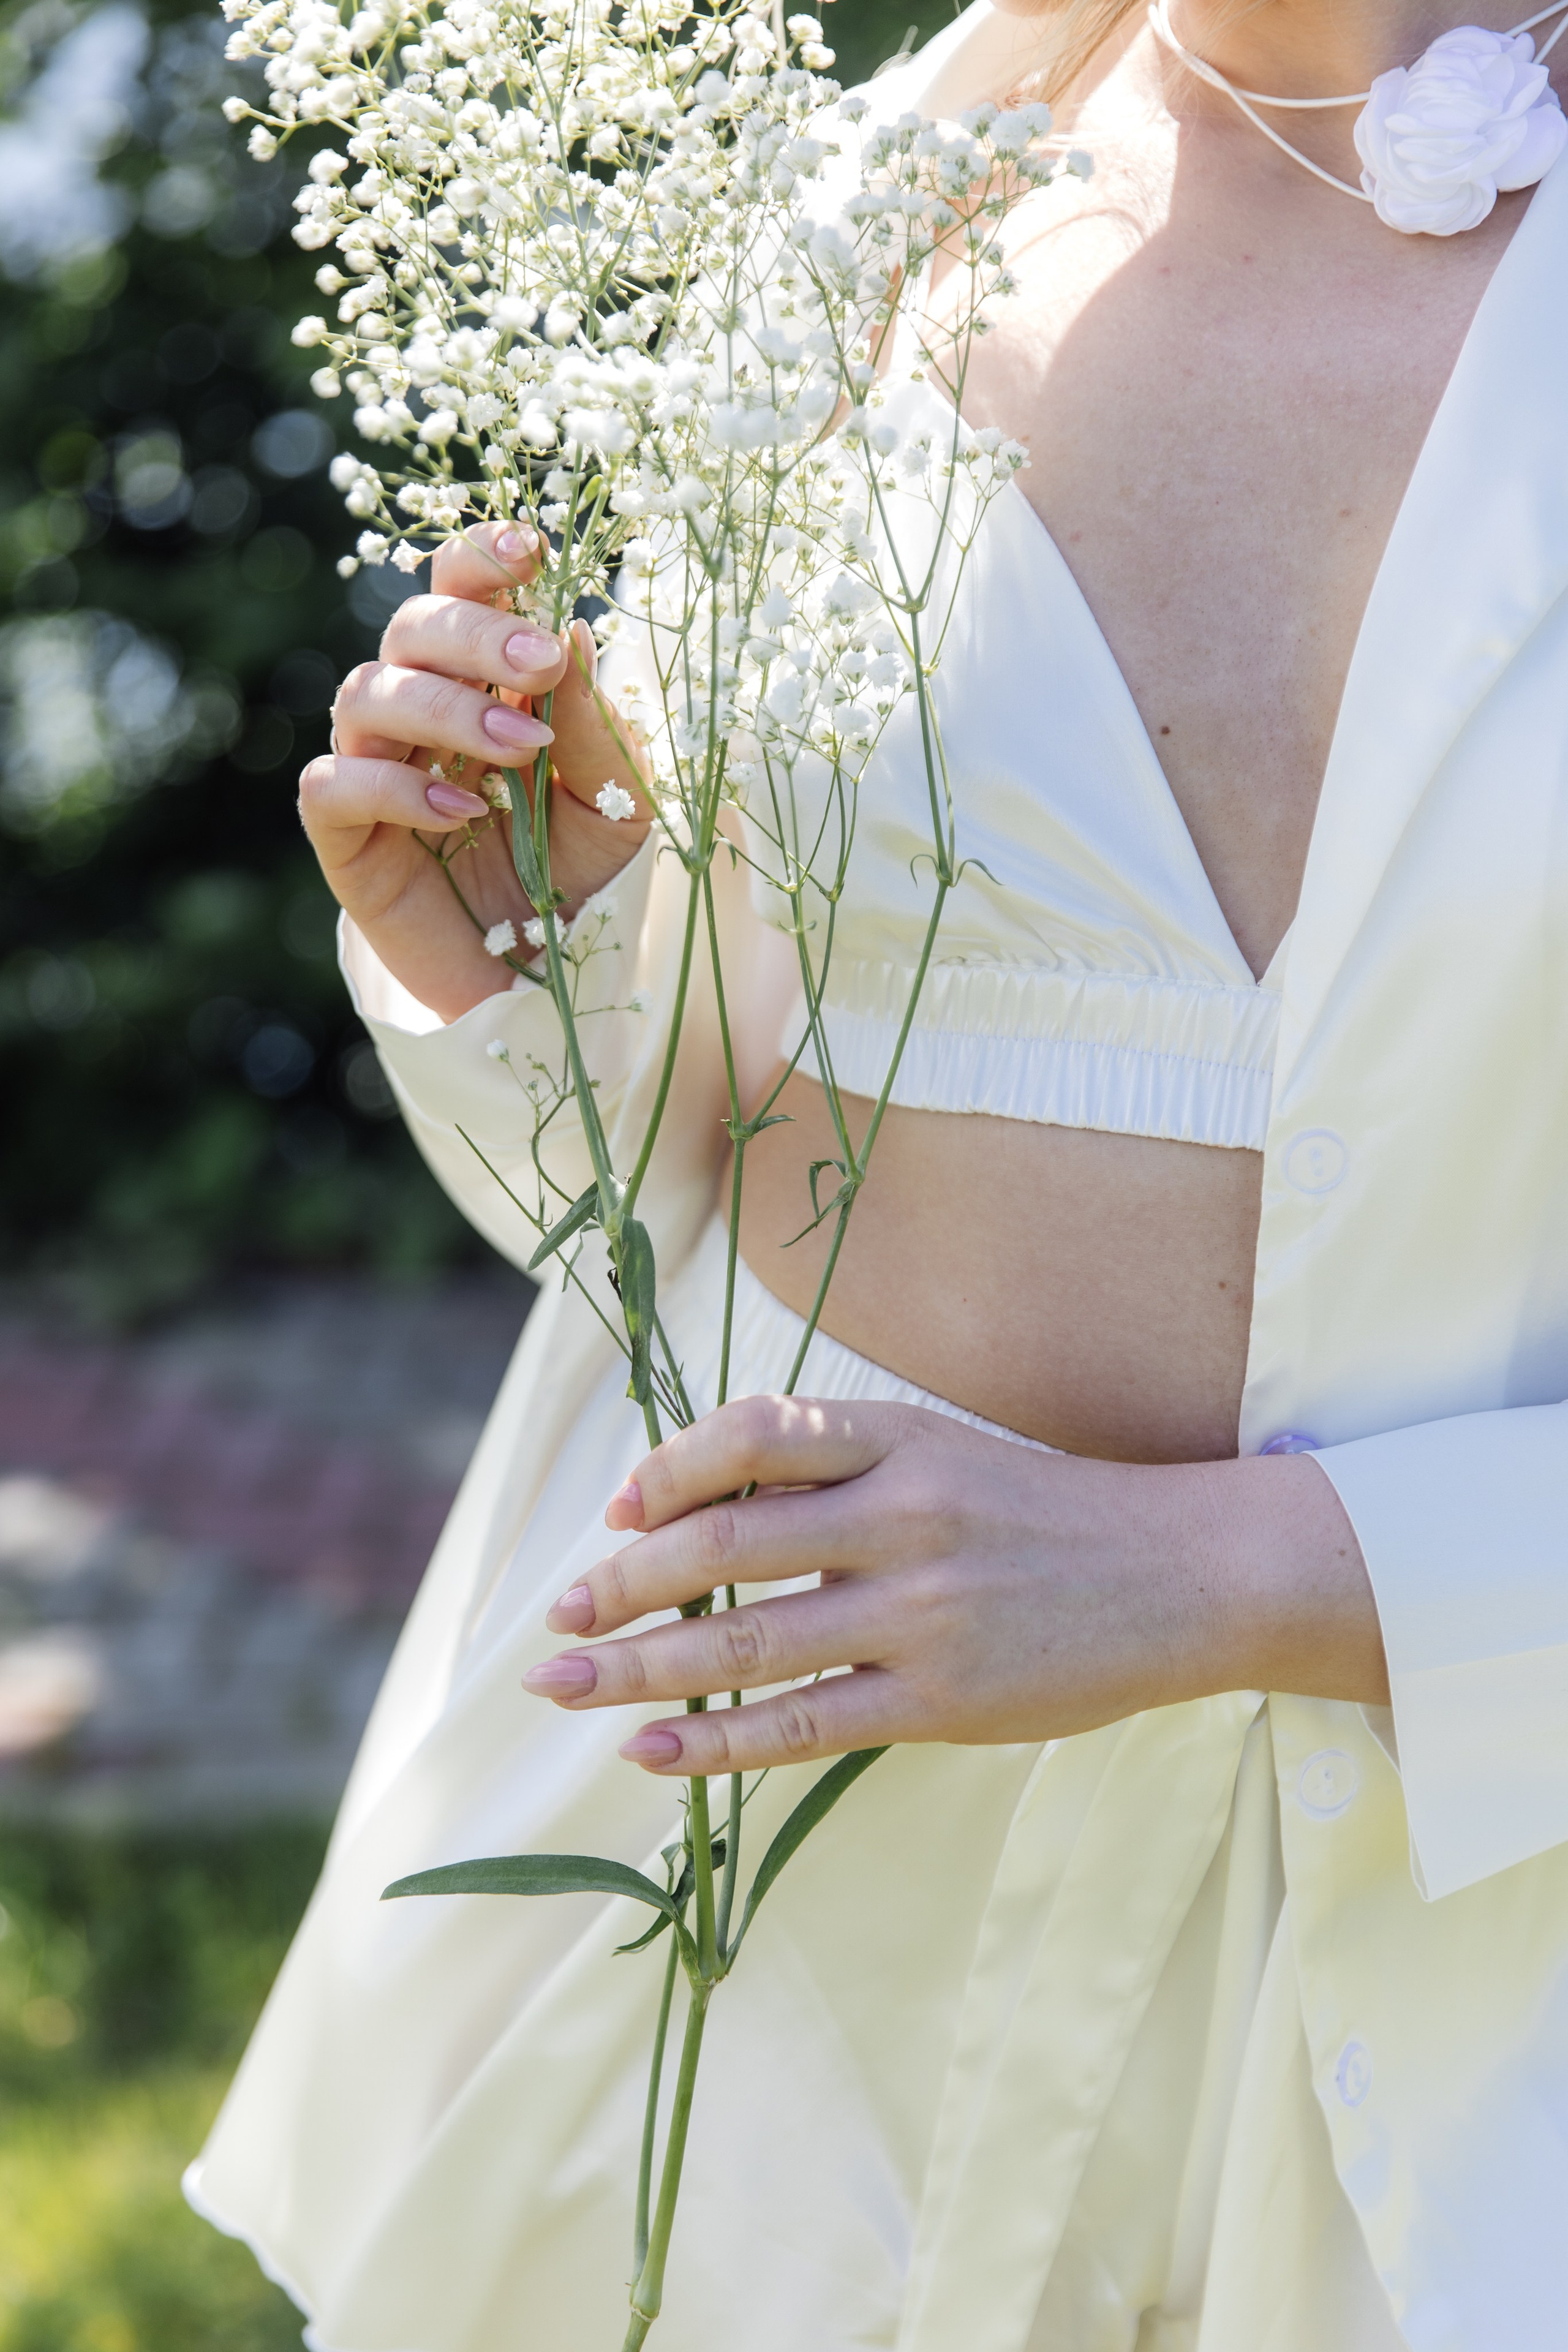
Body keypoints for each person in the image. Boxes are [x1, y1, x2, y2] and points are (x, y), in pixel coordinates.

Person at [186, 2, 1568, 2346]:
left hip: (1477, 1970)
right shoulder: (872, 211)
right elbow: (681, 1149)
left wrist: (1245, 1571)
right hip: (762, 1930)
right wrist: (542, 945)